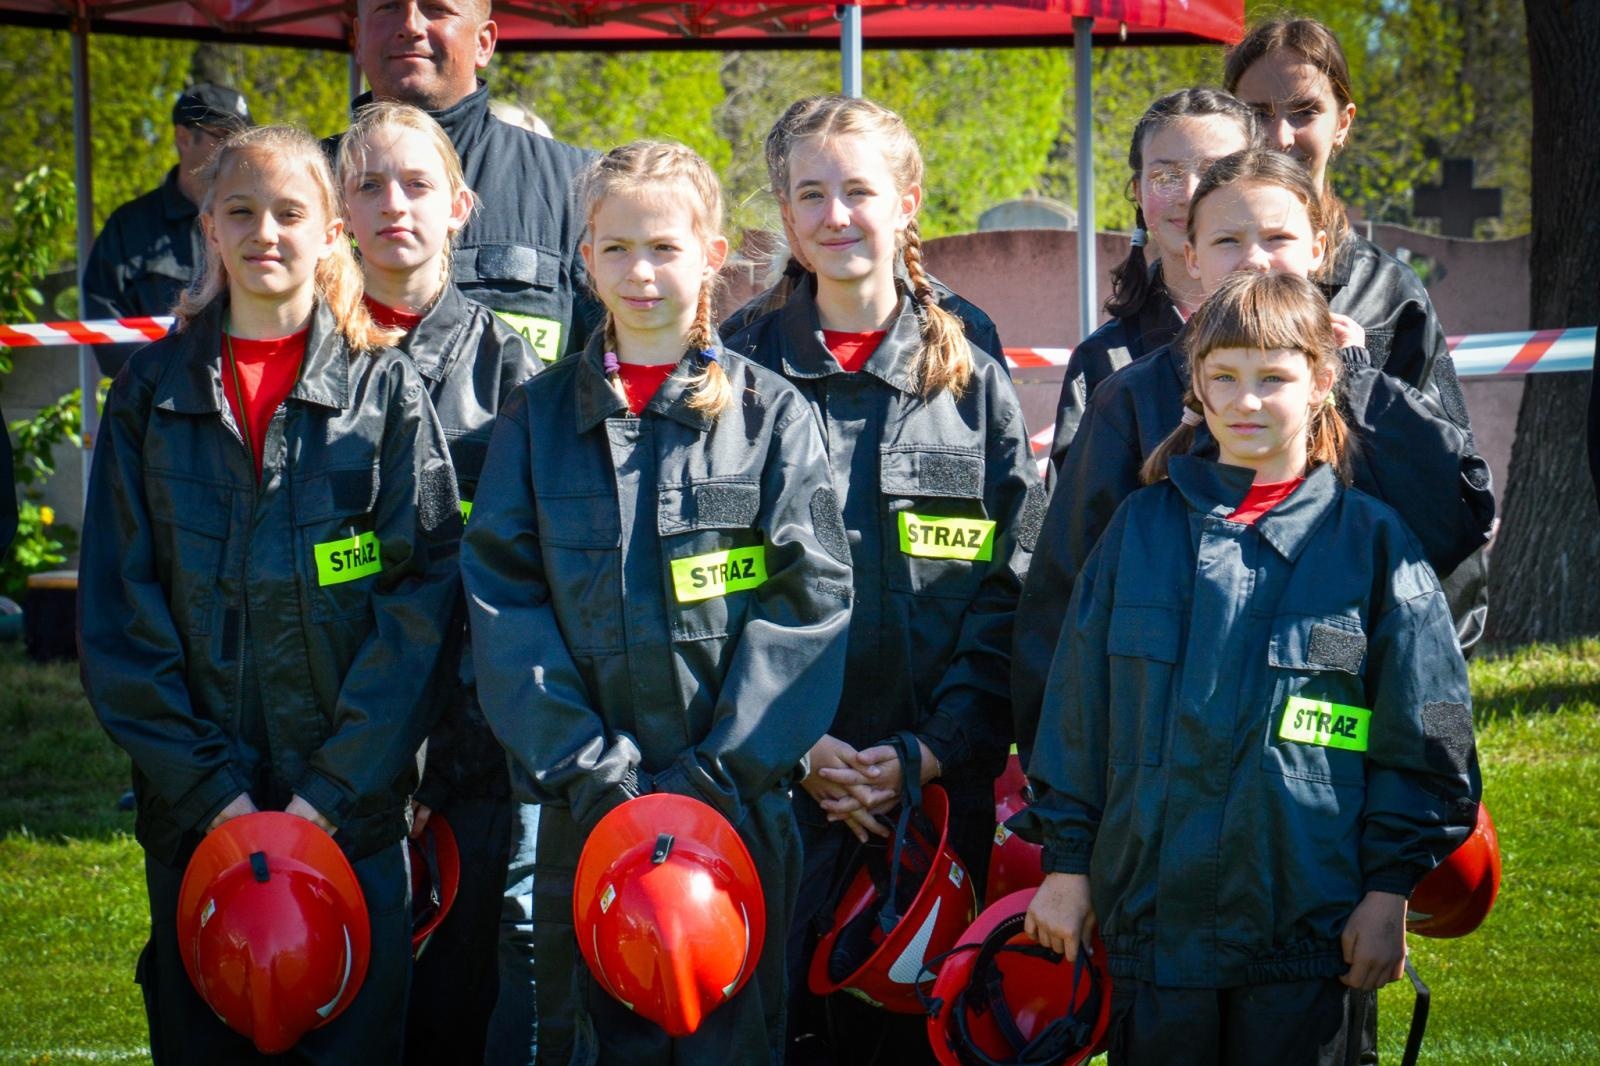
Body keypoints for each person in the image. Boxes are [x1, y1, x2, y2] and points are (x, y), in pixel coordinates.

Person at [1016, 270, 1482, 1065]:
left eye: (1273, 378)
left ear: (1323, 381)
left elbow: (1429, 733)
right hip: (1155, 940)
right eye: (1224, 377)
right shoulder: (1138, 531)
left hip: (1309, 944)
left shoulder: (1371, 546)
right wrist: (1065, 867)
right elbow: (1075, 715)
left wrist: (1389, 888)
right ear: (1194, 386)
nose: (1248, 401)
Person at [77, 124, 463, 1064]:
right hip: (193, 825)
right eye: (240, 211)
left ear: (333, 231)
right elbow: (121, 622)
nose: (267, 233)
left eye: (292, 212)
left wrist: (326, 797)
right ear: (208, 226)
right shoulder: (148, 398)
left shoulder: (387, 394)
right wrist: (216, 799)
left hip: (352, 821)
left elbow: (423, 607)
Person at [462, 139, 852, 1065]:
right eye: (618, 248)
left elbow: (812, 602)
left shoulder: (769, 418)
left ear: (713, 252)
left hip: (739, 812)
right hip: (583, 811)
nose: (642, 272)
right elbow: (504, 606)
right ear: (584, 258)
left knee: (731, 1038)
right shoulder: (537, 417)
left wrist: (717, 774)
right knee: (588, 1036)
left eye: (666, 247)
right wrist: (597, 770)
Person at [725, 94, 1043, 1065]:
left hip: (937, 803)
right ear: (782, 212)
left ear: (906, 201)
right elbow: (711, 587)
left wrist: (929, 754)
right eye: (809, 193)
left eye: (857, 190)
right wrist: (793, 746)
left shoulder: (970, 380)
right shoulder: (732, 370)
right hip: (771, 794)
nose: (834, 214)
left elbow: (1008, 591)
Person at [1013, 149, 1494, 767]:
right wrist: (1058, 798)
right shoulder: (1132, 400)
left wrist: (1358, 381)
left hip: (1341, 761)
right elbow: (1063, 599)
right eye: (1227, 241)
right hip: (1167, 764)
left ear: (1319, 247)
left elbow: (1450, 541)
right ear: (1190, 257)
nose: (1255, 259)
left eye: (1278, 237)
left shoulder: (1370, 390)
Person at [336, 100, 542, 1066]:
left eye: (417, 184)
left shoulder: (519, 379)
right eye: (368, 185)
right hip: (334, 762)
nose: (394, 206)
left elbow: (528, 588)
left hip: (478, 768)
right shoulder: (303, 368)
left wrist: (442, 769)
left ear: (461, 206)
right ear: (337, 210)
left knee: (468, 1018)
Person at [1224, 15, 1490, 650]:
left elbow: (1443, 485)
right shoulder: (1184, 284)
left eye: (1303, 111)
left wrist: (1426, 659)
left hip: (1357, 628)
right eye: (1256, 112)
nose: (1278, 135)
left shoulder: (1391, 298)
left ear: (1342, 122)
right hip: (1209, 638)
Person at [349, 0, 595, 364]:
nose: (410, 25)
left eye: (436, 9)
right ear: (358, 38)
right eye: (388, 7)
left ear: (484, 43)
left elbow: (620, 369)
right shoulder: (301, 188)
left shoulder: (579, 186)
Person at [1047, 88, 1257, 478]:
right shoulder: (1105, 360)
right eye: (1166, 176)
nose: (1191, 194)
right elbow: (1076, 523)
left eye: (1217, 173)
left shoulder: (1322, 342)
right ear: (1138, 192)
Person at [82, 83, 252, 375]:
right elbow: (105, 320)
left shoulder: (258, 221)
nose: (236, 150)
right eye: (224, 137)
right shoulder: (130, 226)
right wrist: (157, 382)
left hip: (242, 395)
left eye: (244, 139)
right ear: (184, 138)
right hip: (152, 405)